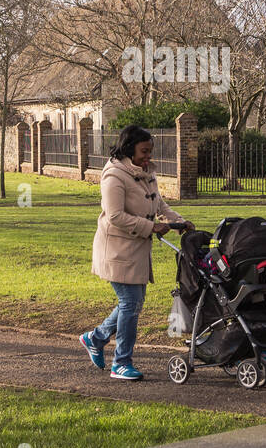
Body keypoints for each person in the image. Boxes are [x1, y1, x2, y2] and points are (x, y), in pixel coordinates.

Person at [80, 124, 192, 380]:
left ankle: (94, 338)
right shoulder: (114, 176)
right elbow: (115, 216)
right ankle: (121, 363)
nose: (148, 156)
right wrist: (151, 227)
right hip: (117, 249)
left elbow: (158, 203)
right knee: (130, 304)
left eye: (150, 151)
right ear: (129, 149)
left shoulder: (146, 173)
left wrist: (179, 221)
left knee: (132, 303)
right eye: (144, 151)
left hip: (136, 249)